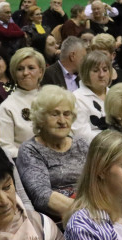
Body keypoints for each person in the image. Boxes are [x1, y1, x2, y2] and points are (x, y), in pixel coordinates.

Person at [15, 86, 90, 220]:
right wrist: (88, 213)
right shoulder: (31, 149)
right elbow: (42, 196)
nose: (62, 121)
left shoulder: (81, 144)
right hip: (59, 222)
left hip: (91, 209)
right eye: (55, 114)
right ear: (41, 119)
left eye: (67, 114)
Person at [0, 47, 45, 158]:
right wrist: (36, 158)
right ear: (14, 74)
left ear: (41, 72)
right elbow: (5, 147)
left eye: (31, 68)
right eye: (20, 69)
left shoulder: (53, 97)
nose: (25, 73)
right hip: (27, 164)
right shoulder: (7, 106)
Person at [71, 48, 111, 141]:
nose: (101, 75)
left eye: (105, 70)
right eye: (96, 70)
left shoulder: (115, 94)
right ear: (86, 73)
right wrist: (112, 141)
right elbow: (81, 135)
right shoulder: (76, 98)